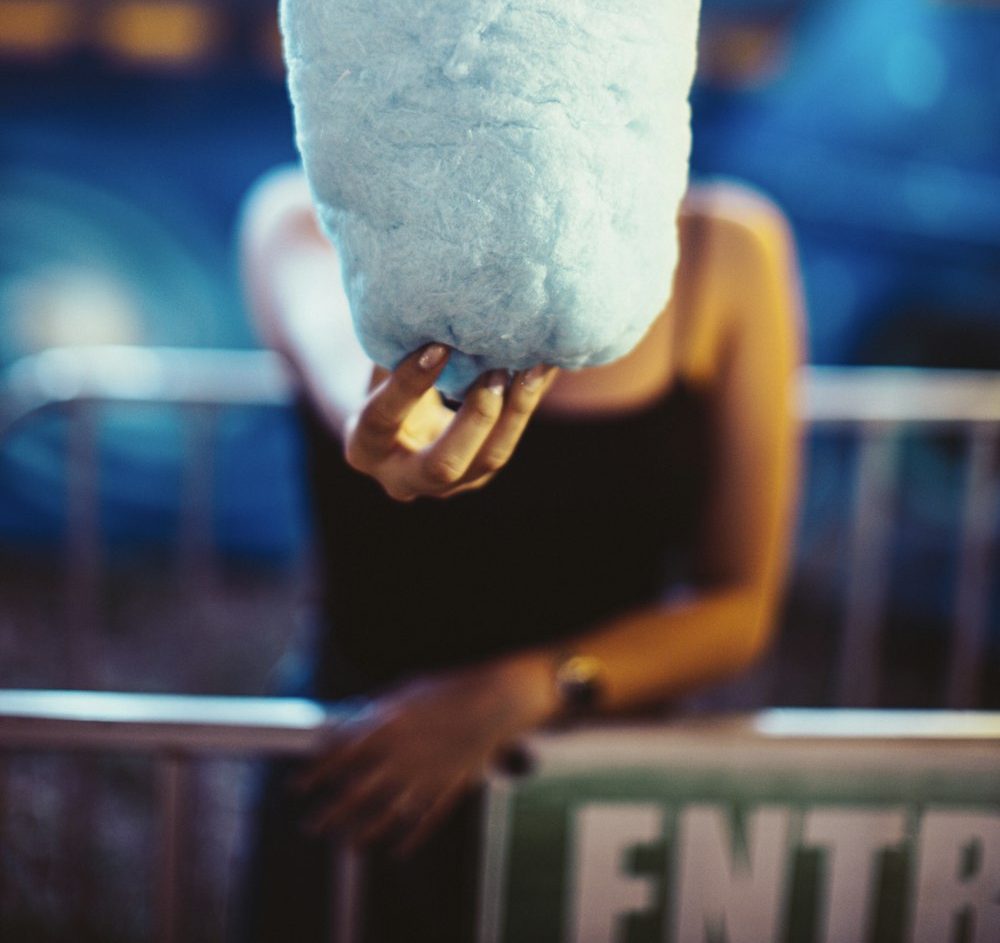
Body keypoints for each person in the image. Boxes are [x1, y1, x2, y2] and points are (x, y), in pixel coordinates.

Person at [234, 162, 804, 942]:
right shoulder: (308, 217)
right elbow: (347, 370)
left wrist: (521, 690)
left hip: (598, 789)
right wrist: (394, 423)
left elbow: (738, 607)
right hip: (371, 772)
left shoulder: (723, 249)